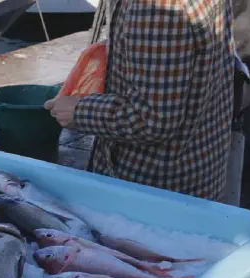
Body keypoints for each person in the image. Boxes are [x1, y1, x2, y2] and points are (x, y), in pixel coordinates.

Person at [45, 0, 236, 201]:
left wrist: (78, 110)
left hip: (154, 191)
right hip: (200, 169)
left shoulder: (152, 8)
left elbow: (152, 120)